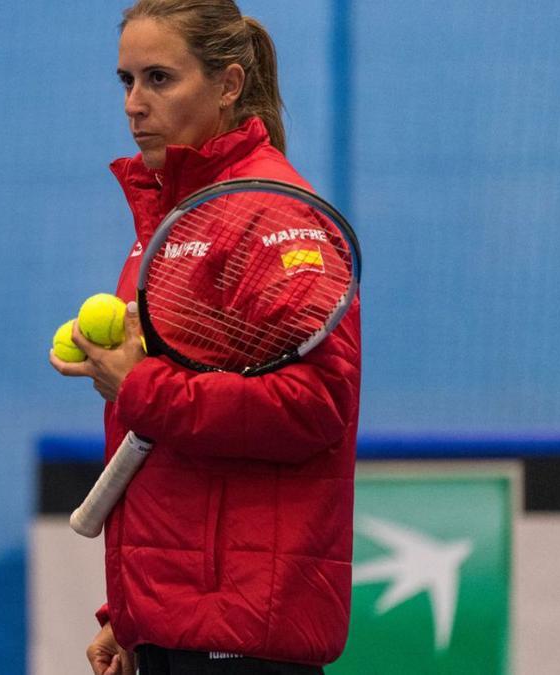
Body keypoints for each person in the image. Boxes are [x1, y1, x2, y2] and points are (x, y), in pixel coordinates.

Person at [49, 2, 361, 674]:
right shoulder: (172, 221)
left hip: (243, 637)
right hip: (176, 628)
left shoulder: (277, 217)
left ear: (227, 84)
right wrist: (133, 616)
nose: (135, 104)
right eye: (126, 81)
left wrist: (140, 385)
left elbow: (314, 406)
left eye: (159, 79)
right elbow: (167, 452)